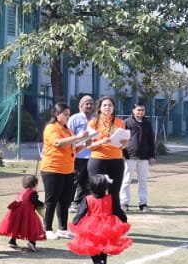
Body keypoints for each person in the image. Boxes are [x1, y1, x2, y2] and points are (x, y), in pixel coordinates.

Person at [68, 174, 131, 264]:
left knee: (91, 245)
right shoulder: (111, 198)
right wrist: (124, 220)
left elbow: (81, 213)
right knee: (104, 245)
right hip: (108, 225)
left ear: (90, 186)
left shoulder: (88, 199)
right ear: (106, 187)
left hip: (91, 226)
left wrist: (75, 222)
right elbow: (118, 211)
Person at [41, 102, 84, 239]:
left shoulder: (68, 130)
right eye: (65, 114)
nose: (67, 117)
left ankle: (62, 229)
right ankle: (47, 229)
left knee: (65, 200)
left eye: (68, 114)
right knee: (51, 200)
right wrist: (77, 137)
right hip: (52, 169)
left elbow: (73, 149)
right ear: (56, 114)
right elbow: (58, 143)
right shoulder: (51, 128)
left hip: (67, 169)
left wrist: (84, 144)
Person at [87, 96, 129, 222]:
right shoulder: (93, 123)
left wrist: (124, 143)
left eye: (110, 105)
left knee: (114, 192)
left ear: (114, 108)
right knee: (97, 192)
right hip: (98, 160)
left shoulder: (120, 122)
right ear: (99, 108)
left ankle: (117, 220)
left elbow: (123, 145)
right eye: (104, 105)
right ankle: (95, 219)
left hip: (116, 160)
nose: (107, 107)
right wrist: (102, 141)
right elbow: (89, 146)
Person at [0, 175, 46, 251]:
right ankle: (32, 242)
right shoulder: (33, 193)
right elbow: (34, 201)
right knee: (32, 227)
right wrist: (43, 204)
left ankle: (12, 241)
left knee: (17, 226)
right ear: (35, 184)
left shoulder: (22, 192)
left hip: (17, 212)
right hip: (27, 213)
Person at [122, 103, 157, 212]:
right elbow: (121, 139)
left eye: (142, 110)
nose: (141, 112)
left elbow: (151, 141)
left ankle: (143, 204)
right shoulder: (127, 123)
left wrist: (152, 156)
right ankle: (124, 203)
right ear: (133, 111)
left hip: (144, 157)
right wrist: (122, 154)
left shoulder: (147, 124)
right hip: (129, 156)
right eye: (138, 110)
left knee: (143, 181)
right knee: (126, 181)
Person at [69, 94, 96, 205]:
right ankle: (68, 202)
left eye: (91, 104)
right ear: (80, 105)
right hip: (79, 155)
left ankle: (81, 202)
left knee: (88, 181)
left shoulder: (95, 119)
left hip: (92, 155)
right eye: (87, 104)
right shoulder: (74, 118)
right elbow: (69, 136)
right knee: (76, 179)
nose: (89, 106)